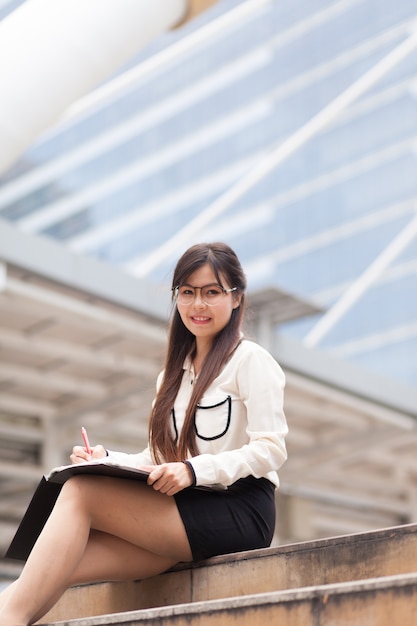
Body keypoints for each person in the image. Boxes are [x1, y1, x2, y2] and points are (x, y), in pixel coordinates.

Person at [0, 242, 288, 626]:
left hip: (240, 509)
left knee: (80, 492)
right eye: (187, 292)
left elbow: (271, 448)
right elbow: (156, 457)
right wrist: (106, 460)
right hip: (187, 510)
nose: (197, 304)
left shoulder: (250, 360)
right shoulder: (172, 375)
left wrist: (192, 470)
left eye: (211, 292)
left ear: (236, 298)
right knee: (60, 561)